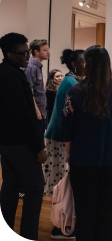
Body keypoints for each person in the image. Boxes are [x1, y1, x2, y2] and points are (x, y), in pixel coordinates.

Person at [61, 45, 112, 241]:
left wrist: (69, 154)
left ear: (86, 64)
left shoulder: (74, 93)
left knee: (84, 213)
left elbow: (67, 131)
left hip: (83, 160)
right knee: (108, 214)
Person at [0, 32, 47, 241]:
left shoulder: (8, 72)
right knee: (35, 187)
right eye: (23, 53)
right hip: (19, 143)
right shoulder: (11, 75)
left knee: (10, 187)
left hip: (8, 142)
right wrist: (38, 146)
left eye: (28, 51)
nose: (27, 56)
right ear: (10, 54)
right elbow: (22, 116)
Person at [44, 49, 85, 239]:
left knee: (65, 184)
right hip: (61, 138)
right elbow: (66, 115)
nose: (88, 64)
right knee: (63, 185)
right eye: (85, 61)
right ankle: (61, 226)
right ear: (76, 64)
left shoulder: (71, 80)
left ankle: (64, 223)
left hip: (61, 137)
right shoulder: (71, 82)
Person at [24, 39, 50, 150]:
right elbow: (29, 92)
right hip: (36, 114)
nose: (48, 52)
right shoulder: (31, 67)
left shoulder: (37, 67)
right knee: (36, 148)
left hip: (41, 113)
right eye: (45, 50)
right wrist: (37, 113)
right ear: (36, 52)